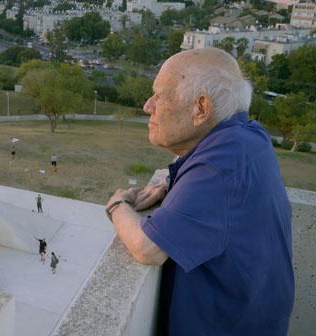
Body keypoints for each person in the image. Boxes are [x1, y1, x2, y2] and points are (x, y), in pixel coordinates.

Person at [105, 48, 294, 335]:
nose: (147, 106)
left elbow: (147, 249)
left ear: (200, 108)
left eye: (159, 95)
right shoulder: (249, 137)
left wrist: (118, 204)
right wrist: (174, 185)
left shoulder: (221, 166)